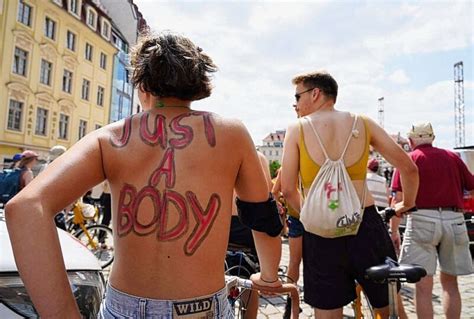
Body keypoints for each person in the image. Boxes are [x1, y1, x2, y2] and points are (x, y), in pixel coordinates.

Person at [5, 31, 283, 318]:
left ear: (141, 84)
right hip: (203, 309)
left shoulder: (110, 139)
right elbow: (262, 217)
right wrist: (270, 275)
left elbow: (26, 207)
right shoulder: (232, 134)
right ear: (198, 81)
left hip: (124, 310)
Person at [280, 70, 419, 319]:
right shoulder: (362, 123)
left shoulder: (297, 129)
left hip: (320, 232)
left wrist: (316, 220)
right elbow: (408, 167)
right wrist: (406, 204)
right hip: (364, 224)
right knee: (387, 307)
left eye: (297, 97)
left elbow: (288, 189)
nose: (296, 105)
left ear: (315, 93)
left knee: (327, 312)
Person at [390, 122, 474, 319]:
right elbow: (471, 185)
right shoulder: (452, 157)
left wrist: (394, 232)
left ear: (410, 141)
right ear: (433, 138)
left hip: (421, 219)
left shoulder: (409, 159)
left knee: (423, 287)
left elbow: (398, 200)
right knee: (451, 285)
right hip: (454, 219)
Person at [227, 151, 272, 319]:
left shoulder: (214, 152)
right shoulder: (258, 157)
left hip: (221, 224)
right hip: (248, 226)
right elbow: (267, 198)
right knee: (251, 284)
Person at [272, 168, 303, 319]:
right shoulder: (287, 168)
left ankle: (291, 306)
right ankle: (292, 303)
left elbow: (274, 192)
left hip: (298, 217)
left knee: (295, 262)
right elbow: (274, 192)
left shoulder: (286, 168)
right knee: (299, 262)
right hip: (306, 218)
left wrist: (281, 205)